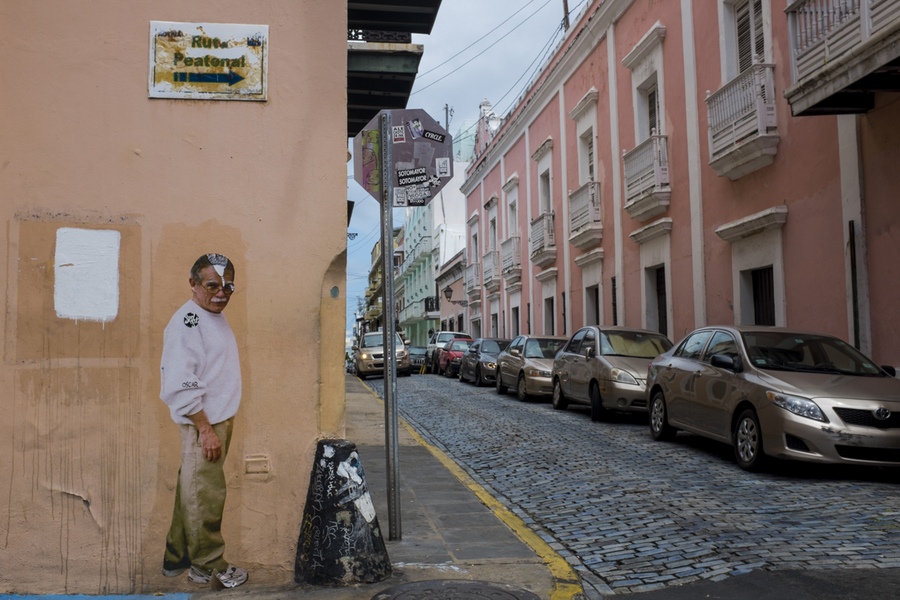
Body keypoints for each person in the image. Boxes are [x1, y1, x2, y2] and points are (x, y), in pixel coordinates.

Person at [159, 253, 248, 588]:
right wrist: (205, 428)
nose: (222, 293)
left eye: (228, 286)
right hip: (204, 422)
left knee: (192, 489)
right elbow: (180, 380)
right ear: (193, 284)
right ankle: (210, 565)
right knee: (206, 495)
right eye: (213, 285)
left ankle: (178, 558)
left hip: (214, 420)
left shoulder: (207, 315)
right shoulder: (188, 321)